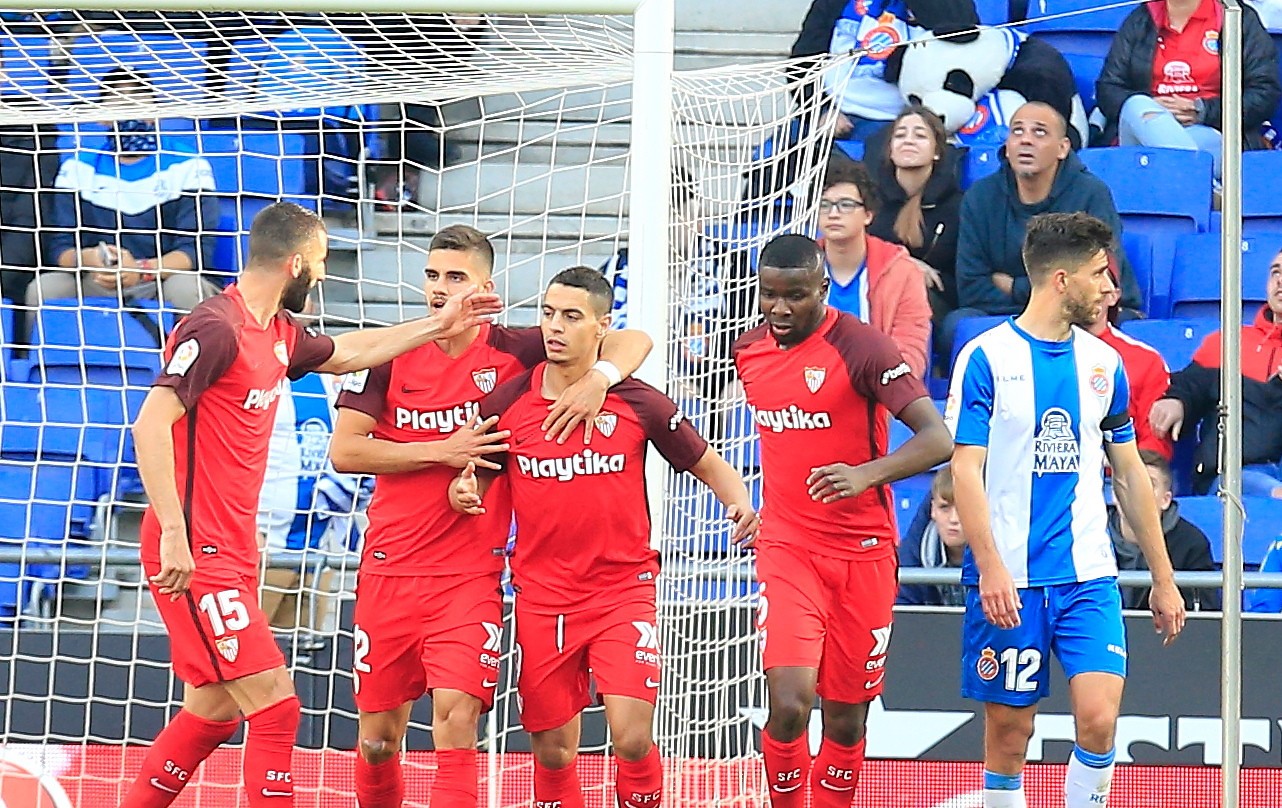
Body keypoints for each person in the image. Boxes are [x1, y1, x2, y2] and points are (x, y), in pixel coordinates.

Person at [122, 202, 502, 808]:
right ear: (297, 262)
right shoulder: (217, 327)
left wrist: (438, 326)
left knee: (215, 709)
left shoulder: (277, 333)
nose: (322, 275)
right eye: (321, 262)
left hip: (235, 546)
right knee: (276, 707)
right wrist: (173, 530)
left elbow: (348, 352)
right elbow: (150, 424)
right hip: (196, 545)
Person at [328, 225, 654, 808]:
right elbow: (345, 452)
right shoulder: (391, 357)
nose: (440, 289)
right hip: (389, 568)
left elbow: (633, 339)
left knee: (456, 722)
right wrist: (439, 450)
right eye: (432, 276)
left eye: (455, 277)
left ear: (486, 287)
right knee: (378, 742)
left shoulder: (519, 351)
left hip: (472, 576)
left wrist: (602, 379)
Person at [449, 266, 759, 808]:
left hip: (622, 589)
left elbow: (705, 460)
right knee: (551, 750)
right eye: (547, 314)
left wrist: (739, 500)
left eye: (571, 316)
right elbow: (472, 472)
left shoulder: (638, 401)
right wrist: (462, 489)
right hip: (544, 597)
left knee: (632, 733)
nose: (555, 327)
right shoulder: (506, 403)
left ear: (601, 327)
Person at [946, 211, 1184, 808]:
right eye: (1101, 275)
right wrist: (991, 566)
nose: (1112, 289)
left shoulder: (1105, 366)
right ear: (1060, 279)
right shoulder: (985, 357)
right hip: (1011, 580)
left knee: (1100, 721)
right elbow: (964, 470)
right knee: (1010, 733)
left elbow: (1128, 471)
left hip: (1088, 575)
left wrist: (1162, 577)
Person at [732, 233, 952, 807]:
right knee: (788, 703)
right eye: (769, 295)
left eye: (795, 296)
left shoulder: (865, 348)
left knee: (846, 721)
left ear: (823, 289)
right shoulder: (747, 350)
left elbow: (937, 439)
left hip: (864, 555)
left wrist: (866, 474)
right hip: (788, 549)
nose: (780, 309)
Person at [950, 102, 1143, 355]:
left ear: (1063, 148)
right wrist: (1047, 295)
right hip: (1004, 313)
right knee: (958, 324)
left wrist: (1014, 287)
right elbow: (971, 288)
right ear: (1006, 147)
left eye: (1039, 132)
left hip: (1080, 313)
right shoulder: (980, 197)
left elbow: (1095, 282)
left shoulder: (1091, 194)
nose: (1025, 140)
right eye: (1017, 132)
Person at [32, 68, 220, 316]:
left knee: (186, 288)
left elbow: (194, 252)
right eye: (118, 100)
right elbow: (59, 249)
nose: (130, 108)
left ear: (156, 112)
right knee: (45, 288)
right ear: (102, 117)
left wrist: (141, 269)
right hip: (96, 279)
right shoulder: (77, 168)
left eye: (139, 99)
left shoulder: (189, 165)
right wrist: (88, 258)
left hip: (161, 279)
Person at [1094, 0, 1280, 177]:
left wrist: (1203, 111)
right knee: (1136, 105)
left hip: (1214, 131)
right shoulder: (1140, 19)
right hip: (1142, 128)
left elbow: (1264, 93)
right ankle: (1207, 186)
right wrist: (1155, 109)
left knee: (1166, 153)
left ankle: (1193, 181)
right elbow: (1108, 88)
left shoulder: (1237, 17)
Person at [1150, 249, 1282, 498]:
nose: (1280, 281)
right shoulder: (1229, 342)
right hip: (1236, 475)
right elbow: (1189, 386)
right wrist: (1177, 400)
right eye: (1275, 272)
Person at [818, 157, 932, 378]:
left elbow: (910, 352)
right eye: (825, 205)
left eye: (846, 205)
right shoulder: (799, 269)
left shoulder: (901, 272)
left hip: (878, 393)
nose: (833, 213)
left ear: (868, 215)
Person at [866, 105, 964, 359]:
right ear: (889, 149)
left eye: (919, 135)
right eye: (900, 135)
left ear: (937, 153)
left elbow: (961, 281)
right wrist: (905, 265)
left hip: (934, 303)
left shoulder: (959, 206)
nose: (908, 140)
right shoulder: (869, 201)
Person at [1108, 449, 1219, 612]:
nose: (1139, 492)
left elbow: (1204, 620)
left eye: (1150, 484)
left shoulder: (1192, 544)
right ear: (1114, 494)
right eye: (1130, 483)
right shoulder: (1091, 537)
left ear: (1166, 500)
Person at [1085, 263, 1172, 460]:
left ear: (1113, 295)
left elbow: (1154, 441)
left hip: (1115, 480)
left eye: (1099, 277)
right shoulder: (1033, 352)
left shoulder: (1145, 360)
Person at [897, 465, 967, 607]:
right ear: (932, 509)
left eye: (963, 509)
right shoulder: (915, 552)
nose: (953, 519)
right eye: (944, 508)